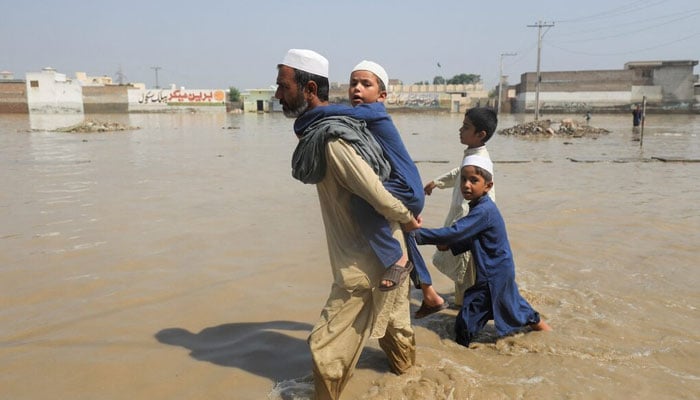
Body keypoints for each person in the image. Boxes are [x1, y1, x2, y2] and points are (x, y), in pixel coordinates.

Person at [275, 49, 417, 400]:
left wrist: (407, 217)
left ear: (309, 88)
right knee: (396, 334)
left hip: (364, 268)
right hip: (389, 254)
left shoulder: (332, 139)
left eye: (282, 86)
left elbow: (374, 193)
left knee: (326, 353)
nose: (277, 94)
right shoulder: (324, 132)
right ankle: (415, 387)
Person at [306, 60, 447, 318]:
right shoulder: (369, 115)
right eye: (353, 84)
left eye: (365, 84)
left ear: (381, 95)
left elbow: (343, 114)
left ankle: (396, 260)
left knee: (360, 200)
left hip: (403, 185)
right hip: (409, 186)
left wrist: (309, 115)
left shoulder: (375, 112)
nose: (356, 89)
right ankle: (430, 294)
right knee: (406, 235)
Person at [413, 155, 551, 346]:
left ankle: (459, 352)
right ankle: (549, 336)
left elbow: (456, 232)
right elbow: (473, 238)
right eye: (463, 179)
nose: (466, 185)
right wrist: (450, 245)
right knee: (519, 309)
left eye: (474, 180)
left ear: (488, 186)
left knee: (466, 320)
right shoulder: (482, 207)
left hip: (492, 274)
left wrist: (415, 234)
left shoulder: (483, 211)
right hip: (501, 269)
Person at [423, 107, 497, 309]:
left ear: (480, 134)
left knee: (466, 275)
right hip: (463, 227)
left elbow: (471, 208)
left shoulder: (481, 161)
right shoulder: (472, 154)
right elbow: (458, 172)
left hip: (467, 229)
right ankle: (463, 308)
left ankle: (465, 314)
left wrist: (453, 237)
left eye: (466, 127)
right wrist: (437, 182)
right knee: (463, 276)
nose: (460, 130)